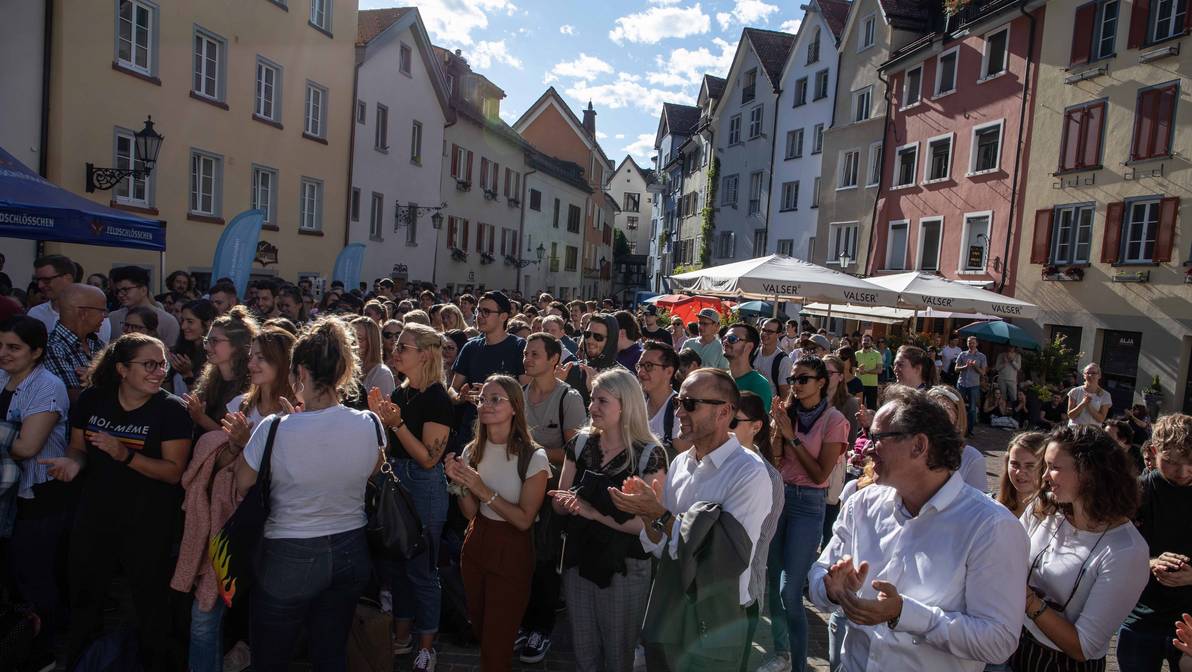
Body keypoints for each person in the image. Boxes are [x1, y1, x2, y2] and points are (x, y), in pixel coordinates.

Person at [809, 385, 1030, 671]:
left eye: (878, 438)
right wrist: (832, 590)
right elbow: (819, 575)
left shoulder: (991, 527)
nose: (865, 446)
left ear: (919, 446)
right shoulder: (862, 503)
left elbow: (998, 641)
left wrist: (905, 613)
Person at [231, 318, 381, 671]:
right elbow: (372, 468)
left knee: (270, 657)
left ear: (299, 371)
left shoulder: (275, 428)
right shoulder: (369, 423)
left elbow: (242, 482)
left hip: (289, 550)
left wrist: (248, 443)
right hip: (350, 546)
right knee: (330, 653)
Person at [41, 333, 193, 668]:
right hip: (94, 517)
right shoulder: (94, 399)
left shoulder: (171, 410)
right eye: (149, 364)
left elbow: (172, 472)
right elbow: (79, 449)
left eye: (163, 364)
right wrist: (71, 464)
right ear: (122, 369)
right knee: (85, 601)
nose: (159, 372)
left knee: (150, 607)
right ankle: (80, 661)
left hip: (148, 523)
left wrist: (124, 455)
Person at [609, 368, 773, 672]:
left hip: (715, 616)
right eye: (678, 403)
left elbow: (722, 559)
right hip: (669, 606)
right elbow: (661, 547)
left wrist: (658, 514)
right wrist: (647, 515)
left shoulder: (748, 473)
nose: (680, 411)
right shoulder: (682, 463)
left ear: (724, 411)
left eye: (690, 404)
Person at [549, 369, 667, 672]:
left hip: (624, 566)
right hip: (579, 559)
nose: (592, 407)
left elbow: (647, 525)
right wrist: (565, 504)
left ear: (625, 405)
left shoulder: (649, 454)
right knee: (584, 651)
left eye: (602, 400)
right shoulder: (580, 444)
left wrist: (593, 513)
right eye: (592, 399)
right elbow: (560, 499)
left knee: (619, 655)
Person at [1013, 424, 1149, 669]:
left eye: (1054, 468)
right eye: (1046, 466)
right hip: (1013, 643)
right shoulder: (1045, 508)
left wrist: (1027, 599)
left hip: (1060, 664)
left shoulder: (1126, 551)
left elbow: (1083, 646)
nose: (1044, 477)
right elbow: (1009, 557)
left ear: (1089, 473)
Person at [444, 375, 550, 672]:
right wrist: (460, 484)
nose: (486, 405)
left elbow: (524, 519)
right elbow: (468, 513)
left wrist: (480, 488)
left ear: (515, 407)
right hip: (476, 544)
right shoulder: (471, 451)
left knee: (496, 641)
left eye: (496, 399)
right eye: (482, 399)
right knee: (480, 627)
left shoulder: (534, 456)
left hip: (512, 550)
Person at [366, 323, 455, 671]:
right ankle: (401, 637)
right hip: (398, 482)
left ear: (426, 355)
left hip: (424, 487)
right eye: (396, 344)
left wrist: (397, 424)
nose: (396, 350)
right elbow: (388, 450)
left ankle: (427, 645)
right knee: (397, 568)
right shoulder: (402, 395)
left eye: (404, 346)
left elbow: (429, 457)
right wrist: (380, 421)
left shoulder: (437, 398)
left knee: (421, 570)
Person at [765, 356, 850, 672]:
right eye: (794, 379)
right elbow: (776, 459)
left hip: (809, 503)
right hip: (780, 497)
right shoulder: (788, 414)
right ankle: (781, 653)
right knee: (773, 585)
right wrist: (777, 429)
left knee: (791, 589)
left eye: (803, 379)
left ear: (821, 382)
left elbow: (819, 474)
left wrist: (791, 437)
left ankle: (799, 664)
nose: (796, 384)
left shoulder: (834, 420)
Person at [0, 317, 71, 668]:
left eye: (13, 347)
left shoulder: (48, 385)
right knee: (11, 577)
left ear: (37, 351)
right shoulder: (0, 377)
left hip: (37, 496)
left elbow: (27, 446)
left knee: (35, 578)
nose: (3, 354)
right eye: (0, 346)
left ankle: (43, 654)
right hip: (4, 497)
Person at [515, 332, 586, 662]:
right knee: (519, 560)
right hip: (514, 487)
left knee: (544, 561)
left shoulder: (567, 398)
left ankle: (540, 628)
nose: (527, 359)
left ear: (554, 359)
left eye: (535, 354)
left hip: (549, 492)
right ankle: (522, 621)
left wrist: (535, 450)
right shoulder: (518, 393)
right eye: (526, 353)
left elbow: (577, 452)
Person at [1117, 414, 1192, 672]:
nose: (1183, 472)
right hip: (1140, 616)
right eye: (1171, 462)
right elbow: (1110, 547)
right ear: (1152, 451)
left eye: (1191, 463)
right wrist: (1149, 562)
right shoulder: (1137, 492)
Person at [450, 291, 526, 447]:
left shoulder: (519, 347)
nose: (479, 316)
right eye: (478, 310)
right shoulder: (470, 347)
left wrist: (492, 394)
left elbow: (525, 390)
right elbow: (452, 389)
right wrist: (461, 397)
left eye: (486, 311)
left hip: (506, 434)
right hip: (470, 431)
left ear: (503, 316)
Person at [184, 306, 257, 435]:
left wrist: (201, 418)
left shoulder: (251, 385)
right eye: (207, 341)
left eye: (214, 341)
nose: (206, 347)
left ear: (237, 345)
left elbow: (237, 438)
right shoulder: (210, 380)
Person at [42, 284, 108, 401]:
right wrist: (104, 380)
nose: (105, 316)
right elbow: (74, 398)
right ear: (83, 313)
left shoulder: (97, 343)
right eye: (102, 311)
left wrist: (93, 379)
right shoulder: (53, 347)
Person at [923, 385, 995, 492]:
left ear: (957, 420)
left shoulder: (971, 458)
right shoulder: (915, 453)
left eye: (944, 416)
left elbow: (978, 503)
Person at [27, 255, 112, 344]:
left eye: (46, 280)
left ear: (68, 278)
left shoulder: (95, 316)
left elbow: (99, 354)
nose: (40, 285)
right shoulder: (35, 313)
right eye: (38, 280)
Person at [108, 266, 180, 348]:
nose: (120, 295)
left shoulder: (168, 321)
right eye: (117, 291)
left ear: (143, 290)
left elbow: (170, 356)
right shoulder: (112, 318)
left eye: (125, 290)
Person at [638, 340, 680, 454]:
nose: (641, 372)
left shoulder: (680, 411)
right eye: (639, 365)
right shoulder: (636, 403)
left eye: (648, 366)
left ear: (669, 372)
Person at [167, 299, 216, 395]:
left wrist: (187, 376)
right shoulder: (179, 351)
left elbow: (203, 400)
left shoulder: (214, 356)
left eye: (190, 321)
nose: (183, 326)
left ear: (208, 324)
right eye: (183, 321)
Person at [994, 431, 1048, 517]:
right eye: (1015, 464)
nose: (1019, 472)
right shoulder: (992, 506)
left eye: (1030, 466)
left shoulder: (1056, 517)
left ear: (1046, 467)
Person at [723, 323, 772, 413]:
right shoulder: (722, 379)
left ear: (748, 347)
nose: (725, 342)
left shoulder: (759, 384)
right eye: (724, 338)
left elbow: (759, 424)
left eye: (732, 339)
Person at [351, 316, 395, 403]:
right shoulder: (346, 368)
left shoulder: (382, 374)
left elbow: (384, 412)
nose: (352, 343)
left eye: (359, 338)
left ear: (371, 342)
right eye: (350, 337)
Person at [955, 337, 987, 438]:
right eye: (969, 343)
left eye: (973, 343)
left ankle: (969, 430)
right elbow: (955, 369)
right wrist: (965, 367)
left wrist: (975, 366)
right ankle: (957, 428)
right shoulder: (963, 354)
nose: (971, 345)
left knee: (972, 409)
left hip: (974, 385)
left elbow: (983, 372)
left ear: (977, 344)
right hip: (962, 383)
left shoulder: (981, 356)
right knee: (959, 406)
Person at [754, 318, 792, 401]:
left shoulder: (783, 361)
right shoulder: (752, 353)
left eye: (770, 332)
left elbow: (785, 394)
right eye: (763, 330)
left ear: (778, 334)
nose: (764, 334)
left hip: (767, 409)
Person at [1068, 363, 1112, 427]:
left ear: (1099, 375)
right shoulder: (1075, 391)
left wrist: (1089, 406)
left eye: (1093, 373)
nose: (1090, 375)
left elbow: (1101, 419)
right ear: (1084, 375)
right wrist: (1083, 403)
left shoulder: (1105, 395)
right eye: (1088, 373)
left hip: (1092, 433)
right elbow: (1071, 416)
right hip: (1074, 430)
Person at [855, 335, 882, 409]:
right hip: (858, 384)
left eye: (868, 340)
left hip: (872, 385)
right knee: (858, 407)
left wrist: (866, 371)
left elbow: (879, 370)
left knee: (871, 408)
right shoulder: (856, 354)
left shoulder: (877, 354)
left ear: (872, 342)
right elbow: (852, 369)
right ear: (861, 342)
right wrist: (858, 369)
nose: (865, 342)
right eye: (864, 340)